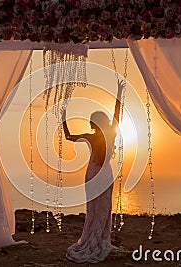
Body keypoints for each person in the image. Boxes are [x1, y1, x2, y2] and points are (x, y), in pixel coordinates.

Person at [63, 80, 125, 263]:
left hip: (93, 172)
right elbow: (117, 115)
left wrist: (64, 117)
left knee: (95, 208)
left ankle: (94, 238)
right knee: (102, 207)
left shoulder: (93, 136)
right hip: (103, 173)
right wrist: (119, 93)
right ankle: (100, 238)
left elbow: (68, 136)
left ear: (93, 122)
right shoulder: (110, 133)